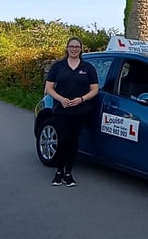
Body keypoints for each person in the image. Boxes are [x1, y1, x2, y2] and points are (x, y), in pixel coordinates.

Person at [45, 37, 99, 187]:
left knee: (73, 142)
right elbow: (49, 88)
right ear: (67, 48)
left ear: (81, 49)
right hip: (61, 110)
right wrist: (61, 99)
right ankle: (59, 172)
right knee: (62, 140)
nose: (74, 49)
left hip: (80, 111)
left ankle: (68, 173)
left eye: (77, 47)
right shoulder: (58, 67)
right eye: (71, 46)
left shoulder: (88, 68)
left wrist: (82, 99)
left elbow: (94, 89)